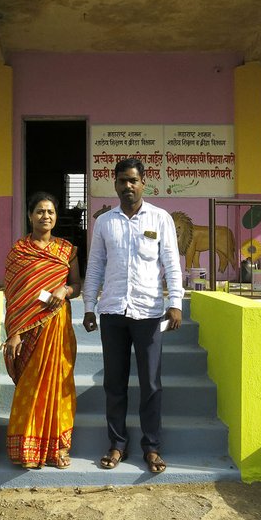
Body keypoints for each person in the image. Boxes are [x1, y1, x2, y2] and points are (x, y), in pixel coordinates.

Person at [81, 158, 184, 474]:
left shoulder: (160, 218)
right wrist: (88, 306)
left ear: (143, 183)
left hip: (149, 313)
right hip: (112, 312)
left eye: (133, 180)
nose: (128, 186)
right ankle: (117, 444)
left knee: (151, 383)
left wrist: (176, 302)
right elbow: (96, 264)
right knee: (114, 383)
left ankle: (151, 447)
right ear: (114, 183)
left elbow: (170, 262)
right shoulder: (105, 222)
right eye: (122, 180)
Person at [3, 191, 82, 469]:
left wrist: (65, 289)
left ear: (56, 216)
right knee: (31, 387)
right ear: (29, 216)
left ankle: (58, 448)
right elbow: (13, 295)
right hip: (28, 331)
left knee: (57, 385)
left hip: (57, 327)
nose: (45, 216)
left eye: (50, 211)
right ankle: (27, 448)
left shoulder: (66, 249)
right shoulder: (19, 252)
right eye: (39, 211)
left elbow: (77, 285)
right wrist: (13, 332)